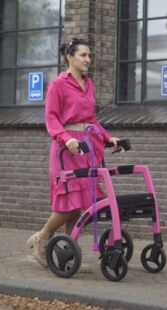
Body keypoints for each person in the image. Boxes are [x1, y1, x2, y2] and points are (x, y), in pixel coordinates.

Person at [27, 38, 120, 267]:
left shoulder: (89, 84)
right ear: (70, 57)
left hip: (87, 146)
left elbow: (90, 119)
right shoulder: (58, 85)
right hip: (66, 148)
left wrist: (109, 137)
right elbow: (51, 118)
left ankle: (67, 253)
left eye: (89, 55)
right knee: (71, 202)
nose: (88, 60)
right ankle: (43, 237)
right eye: (83, 55)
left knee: (85, 204)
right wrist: (66, 138)